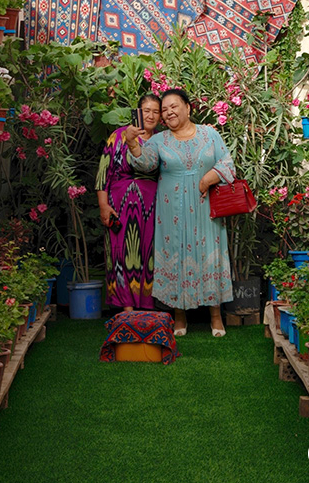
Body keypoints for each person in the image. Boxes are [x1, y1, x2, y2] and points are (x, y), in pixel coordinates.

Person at [125, 88, 234, 337]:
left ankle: (216, 317)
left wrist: (208, 178)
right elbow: (146, 163)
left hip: (206, 208)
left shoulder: (210, 134)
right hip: (170, 209)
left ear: (188, 107)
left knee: (210, 253)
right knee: (175, 253)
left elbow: (228, 164)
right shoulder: (159, 141)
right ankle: (179, 317)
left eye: (173, 106)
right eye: (164, 110)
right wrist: (133, 143)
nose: (168, 112)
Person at [95, 94, 162, 311]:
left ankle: (148, 304)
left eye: (155, 111)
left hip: (151, 207)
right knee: (120, 251)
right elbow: (103, 173)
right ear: (138, 112)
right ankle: (126, 307)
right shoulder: (118, 136)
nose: (150, 115)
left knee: (149, 251)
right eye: (146, 110)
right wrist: (103, 205)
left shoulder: (161, 140)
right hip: (119, 205)